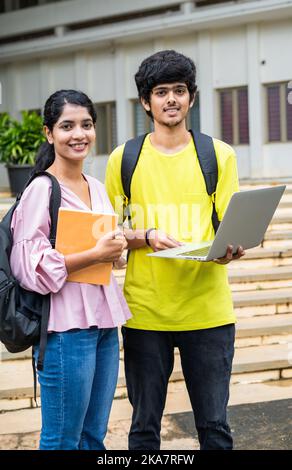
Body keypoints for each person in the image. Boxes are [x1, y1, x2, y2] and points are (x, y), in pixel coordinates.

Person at [105, 50, 245, 450]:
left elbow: (232, 227)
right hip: (146, 313)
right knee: (144, 429)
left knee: (215, 428)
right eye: (161, 91)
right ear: (146, 102)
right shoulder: (124, 158)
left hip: (209, 311)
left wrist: (232, 249)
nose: (171, 99)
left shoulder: (218, 155)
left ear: (192, 98)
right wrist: (145, 236)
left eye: (179, 90)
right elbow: (110, 233)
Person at [10, 89, 131, 450]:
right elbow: (28, 267)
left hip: (105, 325)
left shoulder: (95, 186)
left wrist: (115, 249)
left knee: (93, 436)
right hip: (65, 330)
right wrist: (95, 253)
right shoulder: (40, 190)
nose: (79, 134)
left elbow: (107, 252)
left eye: (86, 125)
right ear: (49, 133)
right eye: (67, 126)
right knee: (63, 439)